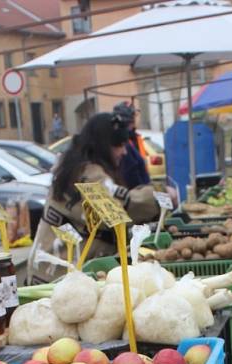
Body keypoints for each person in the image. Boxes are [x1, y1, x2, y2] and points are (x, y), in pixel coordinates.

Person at [30, 112, 173, 282]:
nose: (124, 151)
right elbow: (120, 207)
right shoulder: (86, 175)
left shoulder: (74, 167)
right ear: (103, 146)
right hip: (57, 274)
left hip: (55, 270)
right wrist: (159, 194)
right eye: (119, 145)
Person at [112, 101, 151, 189]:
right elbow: (130, 173)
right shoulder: (122, 143)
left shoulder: (135, 137)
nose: (134, 121)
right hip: (136, 191)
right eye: (132, 117)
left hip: (143, 187)